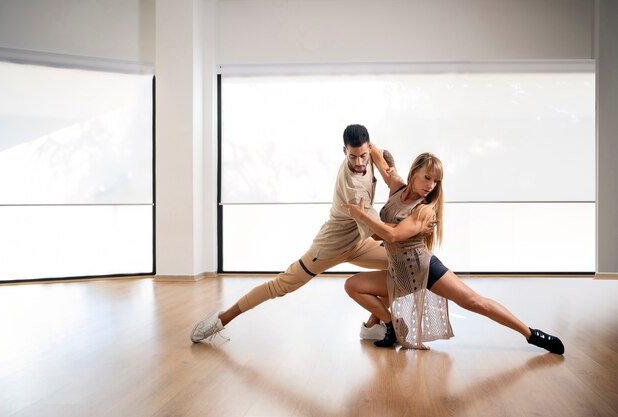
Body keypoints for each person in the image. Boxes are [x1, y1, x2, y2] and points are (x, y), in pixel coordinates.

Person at [190, 124, 433, 343]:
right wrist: (417, 225)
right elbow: (382, 234)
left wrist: (384, 165)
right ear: (343, 151)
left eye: (363, 156)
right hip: (329, 247)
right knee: (280, 286)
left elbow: (379, 157)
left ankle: (372, 326)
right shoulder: (353, 188)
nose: (359, 162)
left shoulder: (368, 154)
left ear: (368, 148)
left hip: (358, 242)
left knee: (407, 268)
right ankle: (221, 320)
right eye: (353, 156)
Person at [343, 152, 565, 354]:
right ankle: (392, 324)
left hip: (424, 269)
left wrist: (363, 217)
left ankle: (531, 334)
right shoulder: (398, 188)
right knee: (352, 286)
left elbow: (392, 236)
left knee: (475, 302)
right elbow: (381, 165)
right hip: (397, 273)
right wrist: (366, 146)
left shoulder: (424, 210)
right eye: (427, 177)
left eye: (436, 180)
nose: (431, 185)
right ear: (413, 174)